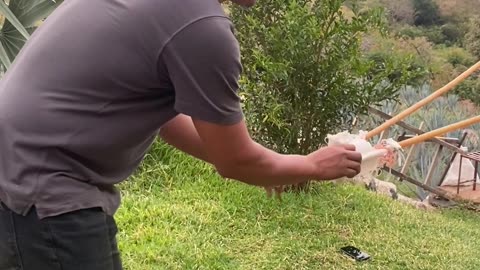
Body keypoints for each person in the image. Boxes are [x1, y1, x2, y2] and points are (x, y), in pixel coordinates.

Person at [0, 0, 362, 269]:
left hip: (17, 166)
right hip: (44, 187)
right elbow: (234, 161)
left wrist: (271, 164)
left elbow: (172, 123)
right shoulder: (201, 28)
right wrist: (312, 165)